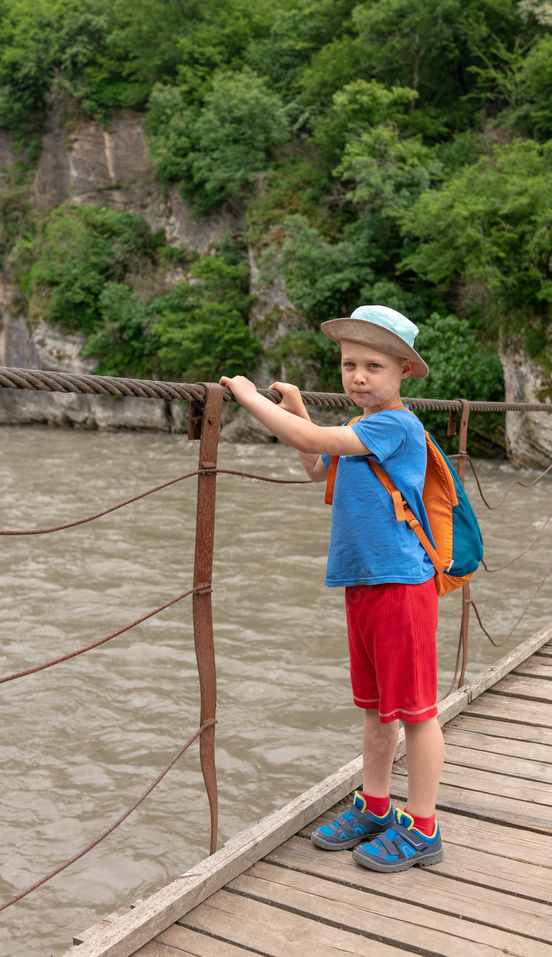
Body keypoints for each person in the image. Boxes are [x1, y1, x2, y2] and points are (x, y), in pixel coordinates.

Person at [219, 304, 445, 871]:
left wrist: (251, 400)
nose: (359, 376)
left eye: (374, 365)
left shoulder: (396, 425)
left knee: (416, 713)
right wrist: (295, 407)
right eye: (349, 365)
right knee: (374, 710)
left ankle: (423, 829)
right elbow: (316, 464)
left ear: (404, 372)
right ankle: (375, 806)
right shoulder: (357, 428)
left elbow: (319, 440)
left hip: (400, 583)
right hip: (363, 582)